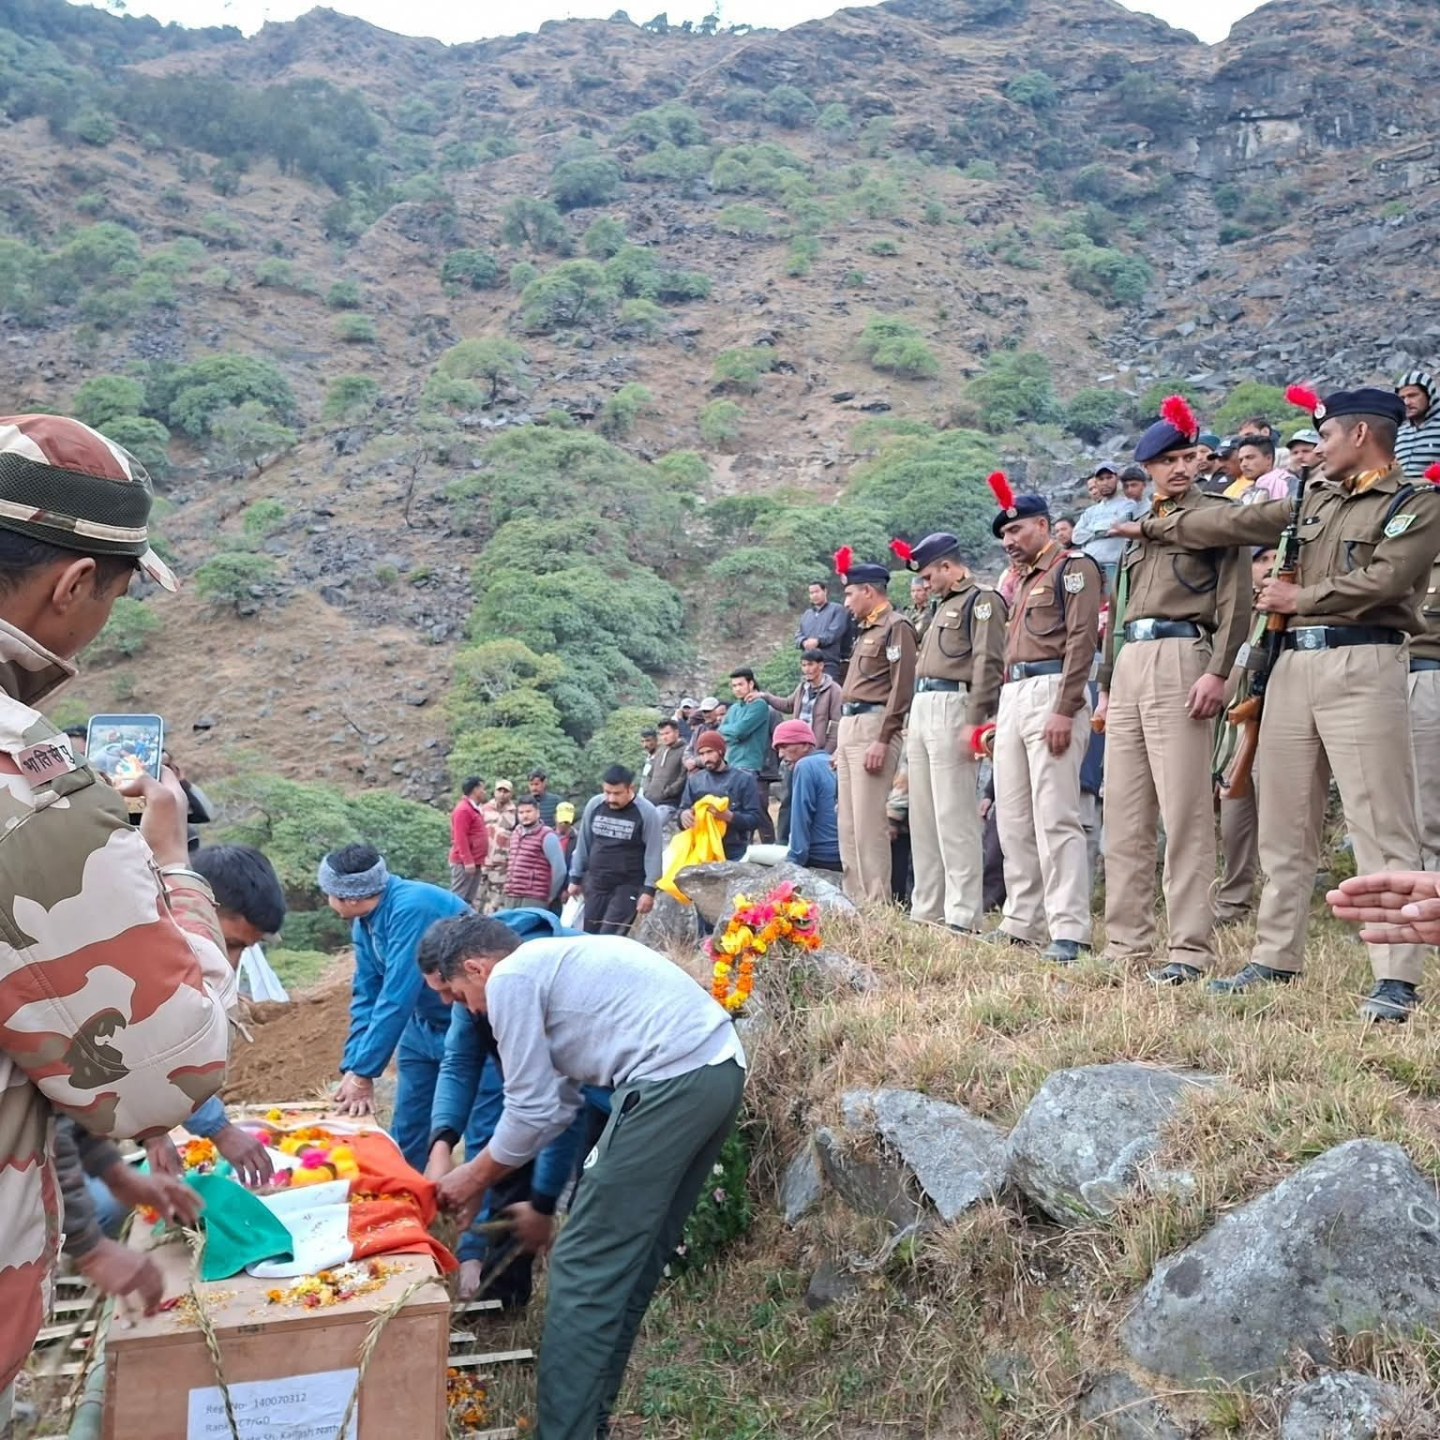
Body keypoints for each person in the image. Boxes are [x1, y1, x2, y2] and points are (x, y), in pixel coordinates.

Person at [0, 414, 239, 1406]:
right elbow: (164, 1069)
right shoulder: (27, 791)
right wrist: (171, 865)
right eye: (116, 593)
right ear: (71, 586)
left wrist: (105, 1185)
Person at [1118, 386, 1440, 1021]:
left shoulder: (1415, 503)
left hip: (1363, 659)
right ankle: (1275, 956)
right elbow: (1230, 524)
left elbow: (1389, 579)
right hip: (1291, 663)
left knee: (1381, 823)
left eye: (1326, 436)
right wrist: (1156, 524)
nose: (1318, 448)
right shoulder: (1313, 497)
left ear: (1359, 435)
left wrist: (1302, 600)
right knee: (1283, 820)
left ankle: (1396, 976)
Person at [427, 916, 746, 1440]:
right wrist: (484, 1179)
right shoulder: (550, 967)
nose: (470, 1011)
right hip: (716, 1070)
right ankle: (589, 1423)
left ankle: (564, 1432)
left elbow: (530, 1110)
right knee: (631, 1262)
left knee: (582, 1263)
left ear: (476, 968)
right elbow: (554, 1110)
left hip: (671, 1080)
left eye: (461, 996)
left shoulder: (511, 978)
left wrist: (470, 1177)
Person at [1094, 398, 1250, 985]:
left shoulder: (1215, 516)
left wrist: (1219, 671)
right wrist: (1106, 686)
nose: (1181, 468)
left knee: (1185, 811)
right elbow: (1120, 614)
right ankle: (1126, 942)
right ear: (1150, 469)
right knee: (1124, 811)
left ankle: (1188, 949)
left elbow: (1237, 602)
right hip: (1132, 661)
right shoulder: (1139, 529)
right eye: (1168, 461)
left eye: (1189, 457)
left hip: (1184, 654)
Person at [420, 908, 597, 1306]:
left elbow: (557, 1108)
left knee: (593, 1187)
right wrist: (442, 1146)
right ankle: (502, 1295)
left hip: (610, 1087)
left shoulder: (516, 980)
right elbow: (459, 1062)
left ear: (471, 968)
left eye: (451, 992)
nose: (451, 1004)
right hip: (557, 1095)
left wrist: (541, 1202)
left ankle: (576, 1302)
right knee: (507, 1158)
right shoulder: (476, 985)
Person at [986, 474, 1102, 963]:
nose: (1009, 541)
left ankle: (1069, 927)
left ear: (1043, 525)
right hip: (1015, 692)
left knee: (1056, 814)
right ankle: (1023, 919)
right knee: (1013, 818)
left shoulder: (1072, 568)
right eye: (1004, 535)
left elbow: (1082, 640)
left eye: (1016, 531)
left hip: (1053, 688)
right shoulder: (1025, 580)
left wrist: (1066, 706)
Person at [320, 842, 471, 1168]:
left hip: (465, 1022)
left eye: (328, 893)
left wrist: (365, 1073)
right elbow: (367, 994)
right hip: (421, 1024)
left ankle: (479, 1198)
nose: (327, 899)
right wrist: (354, 1066)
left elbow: (397, 996)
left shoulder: (411, 907)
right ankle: (404, 1190)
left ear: (349, 897)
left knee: (478, 1125)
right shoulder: (365, 921)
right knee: (409, 1124)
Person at [896, 530, 1006, 933]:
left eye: (929, 576)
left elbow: (988, 661)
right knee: (923, 818)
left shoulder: (982, 600)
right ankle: (927, 908)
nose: (925, 585)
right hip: (924, 705)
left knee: (954, 815)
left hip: (953, 703)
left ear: (948, 566)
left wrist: (975, 720)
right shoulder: (941, 606)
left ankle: (962, 913)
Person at [833, 549, 917, 905]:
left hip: (874, 725)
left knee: (870, 824)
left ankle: (876, 903)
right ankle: (854, 900)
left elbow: (901, 687)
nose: (846, 602)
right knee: (848, 824)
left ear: (868, 591)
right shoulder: (864, 630)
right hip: (850, 724)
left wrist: (884, 738)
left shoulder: (896, 627)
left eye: (850, 594)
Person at [1215, 545, 1277, 923]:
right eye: (1261, 560)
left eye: (1275, 559)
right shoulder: (1238, 612)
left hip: (1279, 718)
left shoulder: (1287, 610)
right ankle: (1233, 900)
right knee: (1234, 817)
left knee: (1277, 817)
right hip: (1237, 722)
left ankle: (1277, 901)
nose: (1269, 566)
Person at [568, 766, 664, 935]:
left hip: (627, 886)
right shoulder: (595, 805)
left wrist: (649, 890)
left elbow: (653, 854)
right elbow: (584, 843)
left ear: (630, 789)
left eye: (617, 793)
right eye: (607, 792)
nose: (611, 798)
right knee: (589, 935)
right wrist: (575, 877)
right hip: (596, 883)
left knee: (609, 937)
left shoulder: (647, 812)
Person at [679, 732, 762, 860]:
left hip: (734, 851)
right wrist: (683, 816)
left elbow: (755, 819)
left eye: (709, 752)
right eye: (701, 754)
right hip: (701, 850)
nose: (706, 758)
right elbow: (682, 810)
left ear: (721, 751)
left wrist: (730, 817)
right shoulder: (695, 780)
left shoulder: (744, 779)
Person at [773, 719, 841, 871]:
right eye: (778, 749)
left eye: (784, 746)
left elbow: (801, 817)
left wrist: (794, 861)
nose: (780, 755)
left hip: (822, 855)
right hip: (844, 853)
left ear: (805, 744)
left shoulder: (804, 766)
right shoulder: (829, 761)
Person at [719, 667, 776, 843]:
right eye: (734, 685)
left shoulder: (759, 706)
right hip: (731, 763)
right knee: (735, 812)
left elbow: (739, 732)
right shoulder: (734, 708)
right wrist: (732, 732)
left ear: (751, 684)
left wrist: (731, 732)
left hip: (749, 765)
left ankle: (769, 848)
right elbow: (721, 732)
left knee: (754, 812)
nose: (737, 689)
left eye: (740, 684)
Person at [1071, 463, 1138, 592]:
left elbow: (1117, 526)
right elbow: (1076, 536)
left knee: (1113, 602)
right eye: (1101, 479)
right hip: (1088, 566)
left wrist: (1090, 532)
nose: (1105, 483)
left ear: (1117, 478)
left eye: (1109, 478)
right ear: (1096, 482)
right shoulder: (1090, 511)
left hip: (1114, 566)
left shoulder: (1128, 505)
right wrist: (1102, 532)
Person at [761, 652, 842, 753]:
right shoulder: (803, 687)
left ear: (821, 666)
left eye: (810, 664)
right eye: (804, 665)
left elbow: (836, 724)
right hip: (798, 746)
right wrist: (765, 696)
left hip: (818, 748)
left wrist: (826, 751)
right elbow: (788, 705)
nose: (807, 669)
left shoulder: (834, 690)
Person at [502, 798, 568, 913]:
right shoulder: (516, 833)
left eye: (529, 811)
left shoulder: (547, 835)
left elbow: (560, 869)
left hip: (534, 897)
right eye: (521, 812)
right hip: (512, 895)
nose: (525, 815)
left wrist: (551, 895)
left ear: (537, 813)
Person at [795, 578, 849, 679]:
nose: (814, 595)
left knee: (829, 687)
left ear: (825, 591)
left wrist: (818, 641)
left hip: (828, 662)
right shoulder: (807, 614)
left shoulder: (837, 609)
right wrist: (803, 642)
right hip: (808, 663)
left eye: (817, 592)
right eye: (811, 593)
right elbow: (798, 635)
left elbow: (834, 632)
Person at [448, 776, 490, 907]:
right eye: (483, 789)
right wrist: (467, 861)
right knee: (458, 898)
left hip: (475, 862)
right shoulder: (463, 810)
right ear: (475, 790)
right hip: (464, 863)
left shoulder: (474, 809)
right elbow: (460, 837)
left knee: (468, 900)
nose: (485, 792)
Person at [481, 779, 518, 910]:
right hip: (483, 860)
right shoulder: (484, 809)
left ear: (511, 794)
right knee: (476, 896)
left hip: (502, 864)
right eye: (499, 790)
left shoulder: (516, 812)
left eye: (505, 791)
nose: (502, 794)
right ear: (495, 792)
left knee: (496, 901)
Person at [642, 718, 687, 824]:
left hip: (668, 804)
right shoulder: (660, 750)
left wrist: (668, 792)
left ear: (676, 732)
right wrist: (646, 790)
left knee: (654, 825)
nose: (664, 737)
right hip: (650, 801)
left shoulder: (685, 750)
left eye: (667, 733)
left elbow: (683, 777)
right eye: (661, 734)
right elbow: (650, 774)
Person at [1396, 370, 1440, 478]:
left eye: (1412, 395)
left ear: (1429, 395)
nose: (1406, 402)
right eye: (1402, 398)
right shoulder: (1400, 434)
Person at [1227, 433, 1293, 503]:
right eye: (1241, 460)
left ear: (1268, 459)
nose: (1243, 464)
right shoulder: (1248, 490)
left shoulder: (1285, 483)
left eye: (1250, 457)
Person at [554, 802, 578, 870]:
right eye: (561, 821)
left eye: (566, 821)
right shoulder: (547, 837)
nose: (563, 824)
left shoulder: (578, 840)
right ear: (555, 817)